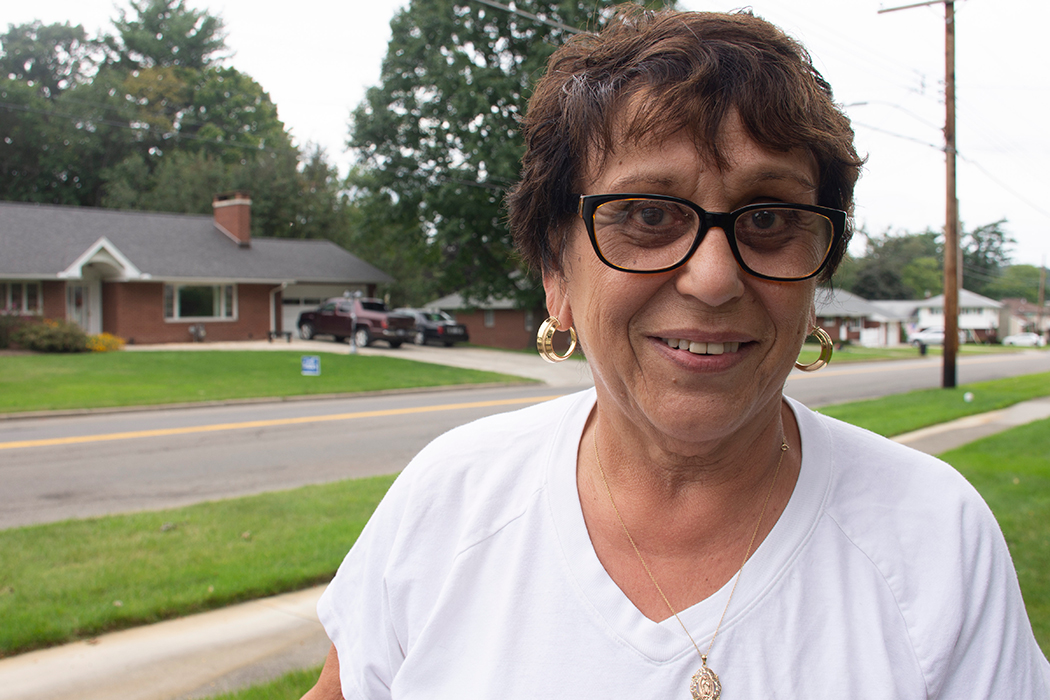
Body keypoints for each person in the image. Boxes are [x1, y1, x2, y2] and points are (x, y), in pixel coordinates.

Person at [305, 7, 1049, 699]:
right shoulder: (449, 503)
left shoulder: (935, 535)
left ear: (817, 274)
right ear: (556, 274)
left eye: (769, 218)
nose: (716, 277)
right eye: (647, 214)